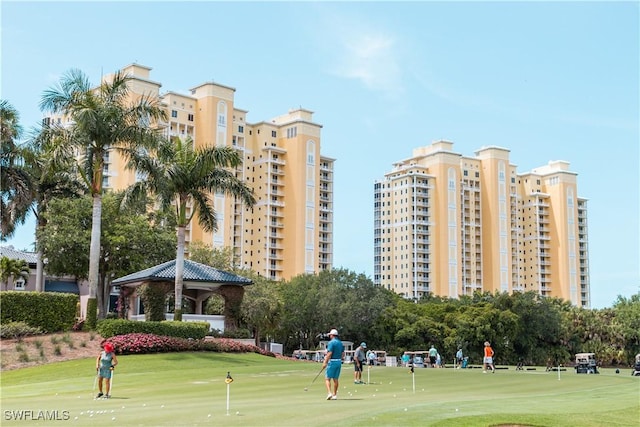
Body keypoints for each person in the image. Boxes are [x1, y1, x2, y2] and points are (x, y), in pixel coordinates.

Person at [322, 328, 344, 400]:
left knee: (327, 378)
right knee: (335, 379)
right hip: (339, 362)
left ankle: (329, 393)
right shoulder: (340, 343)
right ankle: (335, 395)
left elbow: (329, 353)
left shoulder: (331, 343)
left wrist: (325, 362)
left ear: (332, 335)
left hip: (332, 361)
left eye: (330, 335)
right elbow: (343, 354)